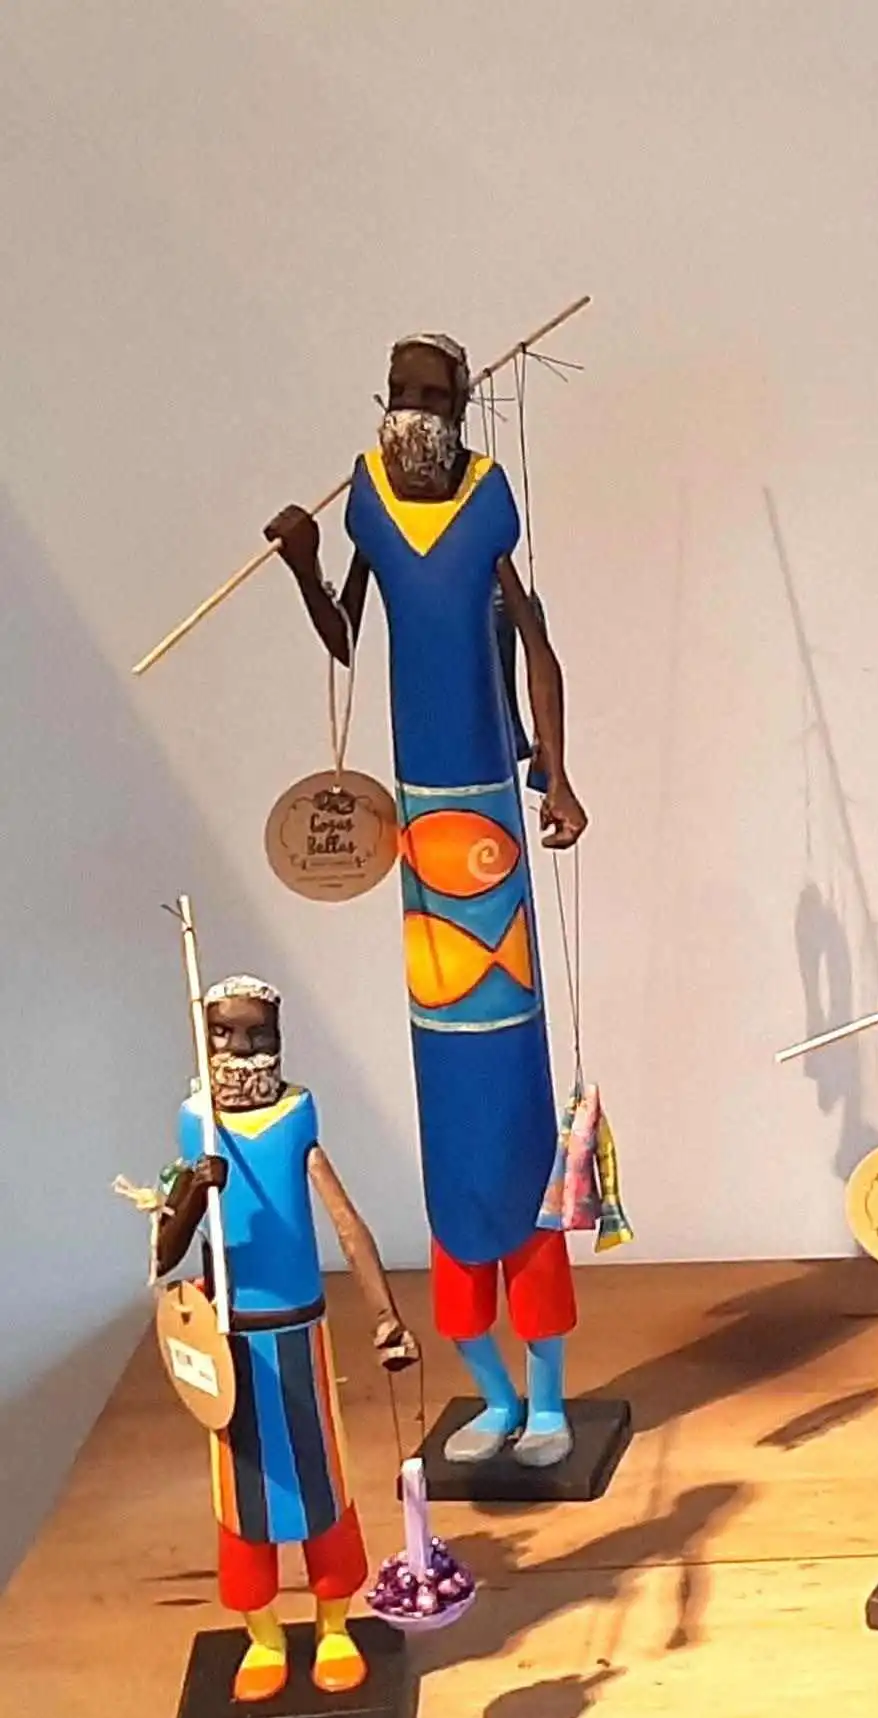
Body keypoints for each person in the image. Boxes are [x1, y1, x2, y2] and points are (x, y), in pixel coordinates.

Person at [264, 334, 586, 1466]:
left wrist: (558, 771)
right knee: (452, 1101)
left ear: (464, 403)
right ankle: (492, 1392)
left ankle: (548, 1396)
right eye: (401, 391)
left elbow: (537, 643)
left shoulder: (488, 502)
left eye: (433, 394)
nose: (414, 409)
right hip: (415, 819)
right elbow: (349, 637)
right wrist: (306, 565)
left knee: (513, 1107)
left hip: (488, 805)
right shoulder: (364, 501)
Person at [152, 977, 419, 1701]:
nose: (240, 1050)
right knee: (243, 1499)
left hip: (300, 1333)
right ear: (203, 1036)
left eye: (257, 1034)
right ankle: (263, 1636)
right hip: (229, 1338)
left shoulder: (297, 1115)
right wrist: (193, 1191)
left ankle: (334, 1624)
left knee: (321, 1484)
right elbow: (164, 1252)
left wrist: (386, 1314)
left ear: (279, 1037)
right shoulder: (196, 1124)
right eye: (223, 1033)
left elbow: (345, 1222)